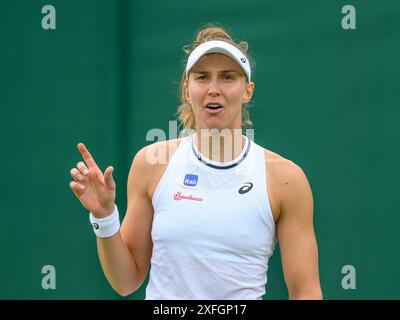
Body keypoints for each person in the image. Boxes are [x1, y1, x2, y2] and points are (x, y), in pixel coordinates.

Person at [69, 25, 322, 300]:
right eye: (203, 77)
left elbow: (306, 292)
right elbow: (126, 281)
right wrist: (104, 218)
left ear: (247, 91)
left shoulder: (286, 179)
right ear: (187, 89)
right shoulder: (151, 164)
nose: (214, 89)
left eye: (227, 77)